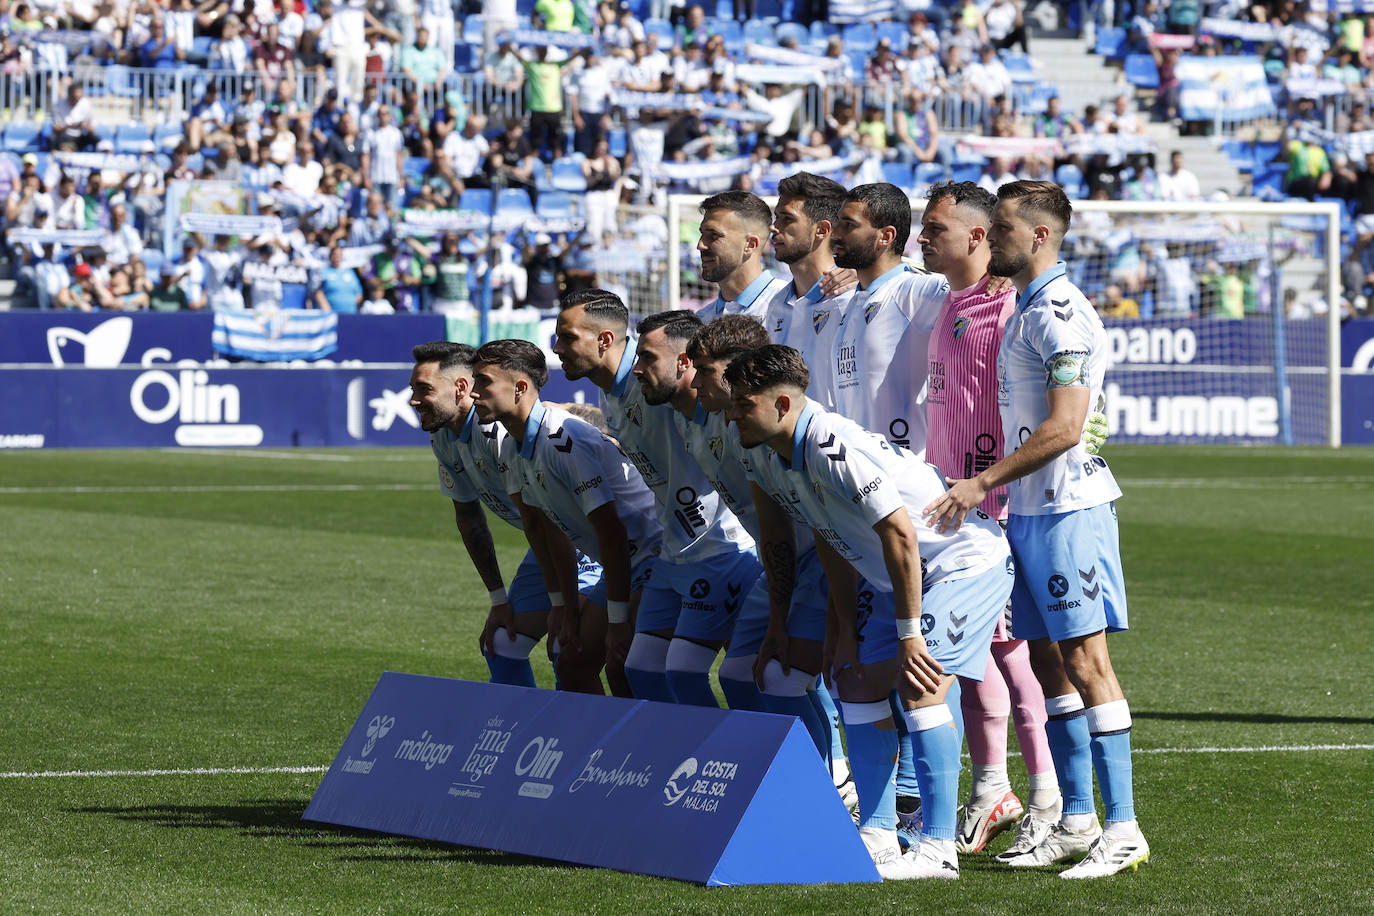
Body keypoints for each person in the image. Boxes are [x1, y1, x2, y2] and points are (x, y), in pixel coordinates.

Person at [925, 180, 1148, 878]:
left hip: (1068, 508)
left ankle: (1124, 828)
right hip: (1031, 509)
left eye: (1005, 227)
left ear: (1041, 236)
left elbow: (1066, 425)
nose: (994, 237)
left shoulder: (1059, 313)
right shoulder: (1023, 308)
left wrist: (982, 482)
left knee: (1088, 664)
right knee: (1050, 663)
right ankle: (1074, 818)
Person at [726, 344, 1012, 880]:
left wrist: (908, 635)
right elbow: (835, 540)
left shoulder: (831, 446)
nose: (731, 414)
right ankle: (879, 833)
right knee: (853, 680)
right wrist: (845, 633)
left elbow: (900, 533)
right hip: (893, 575)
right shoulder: (767, 452)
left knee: (919, 684)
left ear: (783, 403)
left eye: (743, 404)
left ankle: (937, 849)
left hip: (959, 561)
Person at [915, 181, 1066, 856]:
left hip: (994, 504)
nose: (924, 237)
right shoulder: (946, 299)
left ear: (978, 237)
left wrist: (993, 486)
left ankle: (1041, 797)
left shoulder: (1009, 308)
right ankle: (996, 790)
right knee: (981, 657)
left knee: (1010, 654)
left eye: (935, 228)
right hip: (951, 504)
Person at [553, 290, 761, 707]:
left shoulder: (661, 383)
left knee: (752, 671)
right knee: (637, 666)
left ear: (605, 340)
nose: (557, 348)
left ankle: (790, 761)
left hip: (721, 547)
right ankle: (675, 761)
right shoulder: (614, 393)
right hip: (670, 550)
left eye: (567, 337)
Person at [470, 338, 661, 697]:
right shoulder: (512, 445)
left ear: (520, 388)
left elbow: (612, 534)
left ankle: (654, 749)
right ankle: (602, 749)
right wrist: (562, 605)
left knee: (622, 664)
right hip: (624, 560)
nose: (474, 393)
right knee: (572, 660)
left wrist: (617, 622)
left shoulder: (563, 439)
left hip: (653, 554)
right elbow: (542, 529)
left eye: (484, 382)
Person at [829, 182, 949, 454]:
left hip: (905, 483)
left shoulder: (914, 290)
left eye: (849, 225)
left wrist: (997, 275)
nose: (836, 234)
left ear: (886, 236)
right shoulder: (848, 302)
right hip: (855, 480)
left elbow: (970, 287)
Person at [697, 191, 791, 320]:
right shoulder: (701, 319)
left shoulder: (792, 308)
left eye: (714, 235)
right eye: (702, 234)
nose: (700, 245)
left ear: (750, 244)